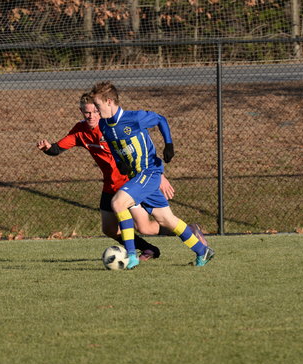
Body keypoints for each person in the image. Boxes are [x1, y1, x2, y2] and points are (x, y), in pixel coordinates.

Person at [89, 81, 214, 269]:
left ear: (109, 102)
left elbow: (161, 119)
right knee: (167, 220)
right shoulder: (104, 125)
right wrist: (120, 162)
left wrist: (169, 144)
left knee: (118, 203)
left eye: (97, 106)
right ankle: (202, 250)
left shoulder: (134, 118)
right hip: (136, 177)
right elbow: (114, 146)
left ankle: (131, 256)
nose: (96, 111)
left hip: (150, 172)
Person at [36, 92, 174, 261]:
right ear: (81, 111)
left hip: (130, 182)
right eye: (87, 112)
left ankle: (183, 231)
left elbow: (143, 147)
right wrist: (48, 148)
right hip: (110, 184)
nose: (91, 116)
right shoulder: (80, 131)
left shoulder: (111, 127)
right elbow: (57, 148)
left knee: (144, 227)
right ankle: (149, 248)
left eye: (95, 111)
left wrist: (159, 175)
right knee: (109, 229)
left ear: (100, 109)